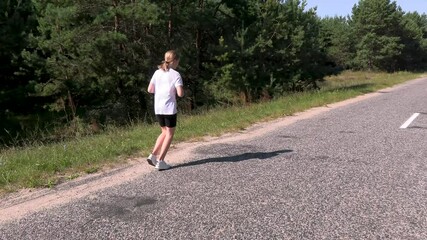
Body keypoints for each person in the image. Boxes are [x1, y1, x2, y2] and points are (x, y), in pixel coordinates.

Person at [146, 50, 184, 170]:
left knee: (164, 131)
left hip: (158, 107)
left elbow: (150, 89)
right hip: (169, 108)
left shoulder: (157, 72)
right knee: (169, 133)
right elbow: (180, 93)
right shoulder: (176, 75)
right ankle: (161, 160)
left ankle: (153, 155)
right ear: (175, 61)